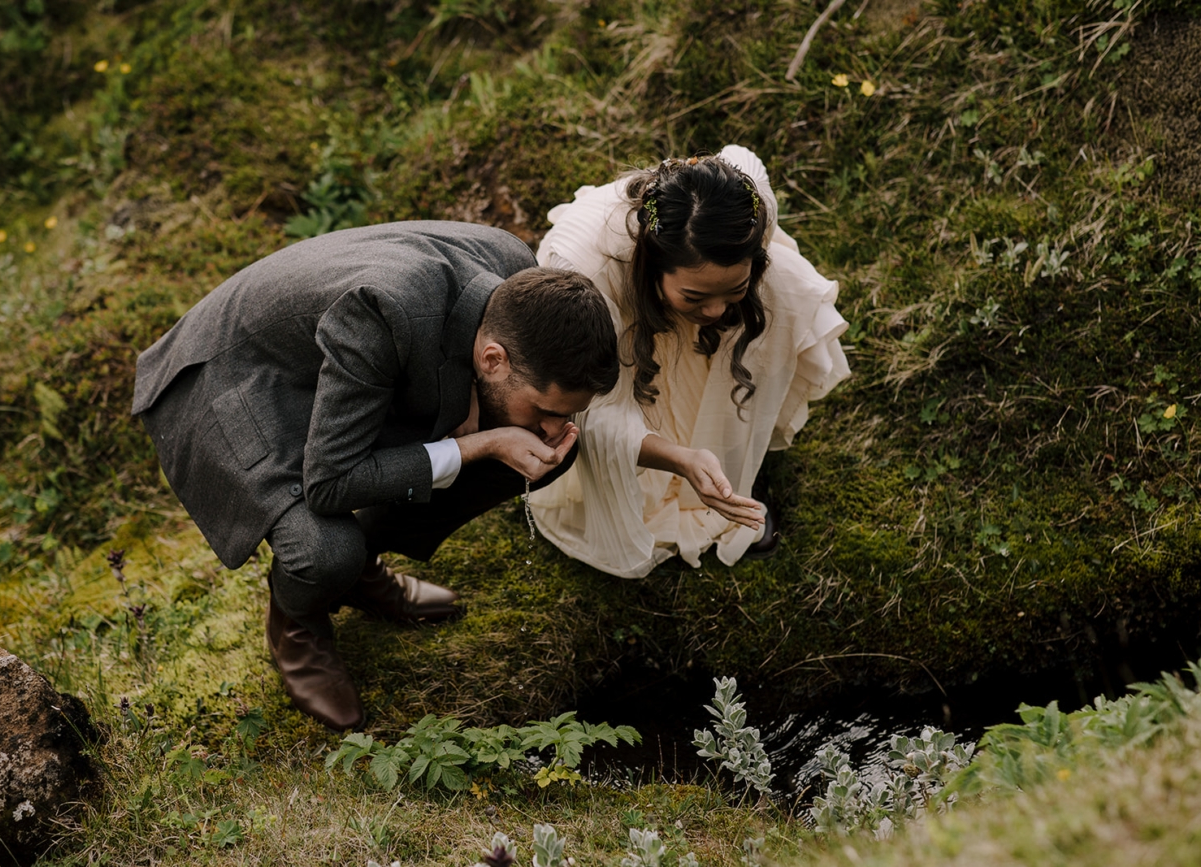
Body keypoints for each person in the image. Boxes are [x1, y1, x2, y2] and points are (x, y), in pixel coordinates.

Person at [131, 221, 619, 730]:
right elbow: (329, 483)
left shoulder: (515, 280)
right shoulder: (384, 312)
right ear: (492, 359)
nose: (554, 423)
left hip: (346, 373)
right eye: (545, 407)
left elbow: (453, 364)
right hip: (237, 380)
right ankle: (298, 625)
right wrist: (481, 442)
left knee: (540, 453)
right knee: (325, 550)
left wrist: (482, 406)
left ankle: (361, 568)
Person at [528, 146, 850, 578]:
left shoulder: (750, 210)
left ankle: (728, 451)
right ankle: (679, 469)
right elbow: (593, 412)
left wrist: (721, 297)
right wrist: (681, 458)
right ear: (652, 264)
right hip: (597, 314)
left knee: (781, 292)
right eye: (696, 297)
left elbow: (741, 155)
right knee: (631, 391)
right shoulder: (587, 275)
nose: (716, 311)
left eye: (733, 289)